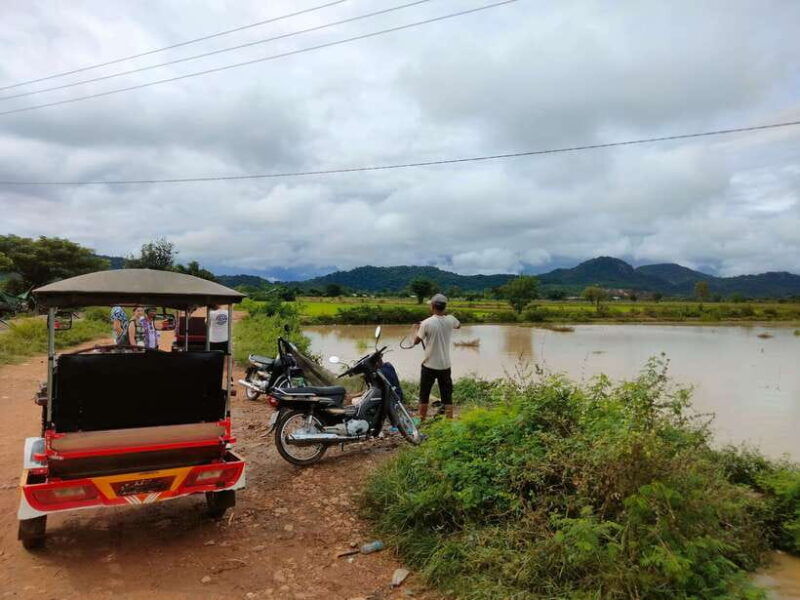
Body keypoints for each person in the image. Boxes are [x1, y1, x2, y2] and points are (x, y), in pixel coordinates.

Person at [413, 293, 460, 420]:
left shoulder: (426, 323)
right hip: (445, 365)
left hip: (429, 365)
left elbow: (416, 341)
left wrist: (417, 329)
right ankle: (449, 420)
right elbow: (458, 325)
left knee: (424, 394)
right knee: (447, 394)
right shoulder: (451, 319)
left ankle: (421, 420)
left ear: (433, 306)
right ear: (444, 307)